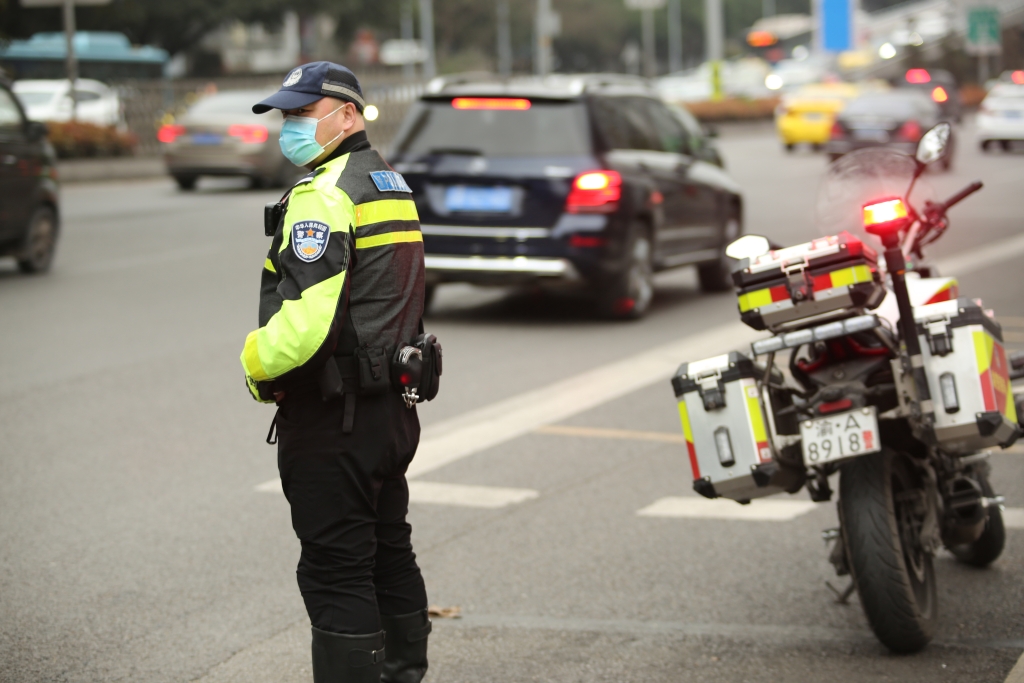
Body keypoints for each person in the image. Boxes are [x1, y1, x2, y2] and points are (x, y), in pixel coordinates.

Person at [240, 61, 431, 683]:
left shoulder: (325, 194)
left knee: (336, 568)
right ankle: (402, 672)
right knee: (387, 550)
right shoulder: (388, 181)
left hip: (335, 417)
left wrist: (253, 364)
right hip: (389, 410)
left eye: (301, 114)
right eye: (286, 116)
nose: (290, 127)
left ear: (346, 114)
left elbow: (306, 326)